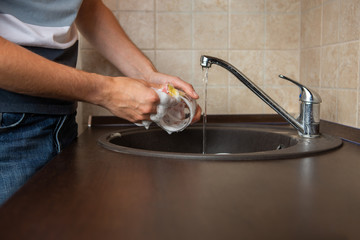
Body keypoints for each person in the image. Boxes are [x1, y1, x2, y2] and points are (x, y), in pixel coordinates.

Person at [0, 0, 201, 205]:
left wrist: (147, 75)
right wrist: (106, 91)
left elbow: (85, 5)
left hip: (60, 119)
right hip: (8, 128)